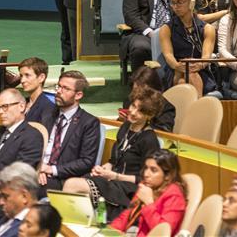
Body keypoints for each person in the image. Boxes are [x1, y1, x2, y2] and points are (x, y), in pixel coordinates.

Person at [63, 87, 162, 220]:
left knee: (73, 185)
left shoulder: (149, 140)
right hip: (112, 181)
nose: (132, 111)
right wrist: (104, 168)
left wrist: (115, 176)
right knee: (77, 184)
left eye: (140, 110)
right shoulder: (126, 126)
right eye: (133, 105)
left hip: (129, 189)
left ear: (149, 115)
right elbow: (114, 160)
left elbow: (145, 179)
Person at [38, 70, 100, 191]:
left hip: (63, 179)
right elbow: (34, 145)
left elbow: (86, 162)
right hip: (40, 173)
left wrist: (52, 170)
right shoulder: (47, 115)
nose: (59, 91)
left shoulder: (89, 123)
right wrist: (39, 168)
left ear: (78, 95)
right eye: (59, 86)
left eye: (65, 88)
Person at [108, 149, 187, 236]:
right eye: (146, 168)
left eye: (153, 170)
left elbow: (163, 232)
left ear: (167, 175)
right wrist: (110, 231)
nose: (146, 174)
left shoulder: (175, 196)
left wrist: (148, 203)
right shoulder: (146, 185)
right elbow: (128, 213)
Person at [159, 0, 216, 95]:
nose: (175, 6)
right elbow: (168, 55)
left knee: (184, 81)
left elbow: (206, 57)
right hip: (175, 69)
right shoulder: (166, 29)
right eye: (173, 2)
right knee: (184, 76)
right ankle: (198, 111)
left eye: (180, 2)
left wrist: (199, 65)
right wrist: (178, 66)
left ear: (191, 3)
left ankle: (186, 111)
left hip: (199, 70)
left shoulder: (207, 29)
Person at [0, 88, 44, 170]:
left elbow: (20, 173)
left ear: (21, 106)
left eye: (5, 106)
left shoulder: (32, 136)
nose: (0, 112)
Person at [0, 162, 40, 237]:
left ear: (24, 196)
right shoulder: (6, 218)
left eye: (5, 197)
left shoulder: (30, 230)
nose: (1, 202)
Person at [122, 66, 175, 132]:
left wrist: (140, 122)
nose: (137, 94)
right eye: (135, 90)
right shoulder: (129, 101)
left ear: (154, 90)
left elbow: (164, 132)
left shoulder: (166, 108)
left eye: (142, 91)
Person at [18, 57, 56, 127]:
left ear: (41, 77)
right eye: (21, 76)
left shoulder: (49, 107)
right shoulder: (21, 103)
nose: (22, 80)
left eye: (27, 75)